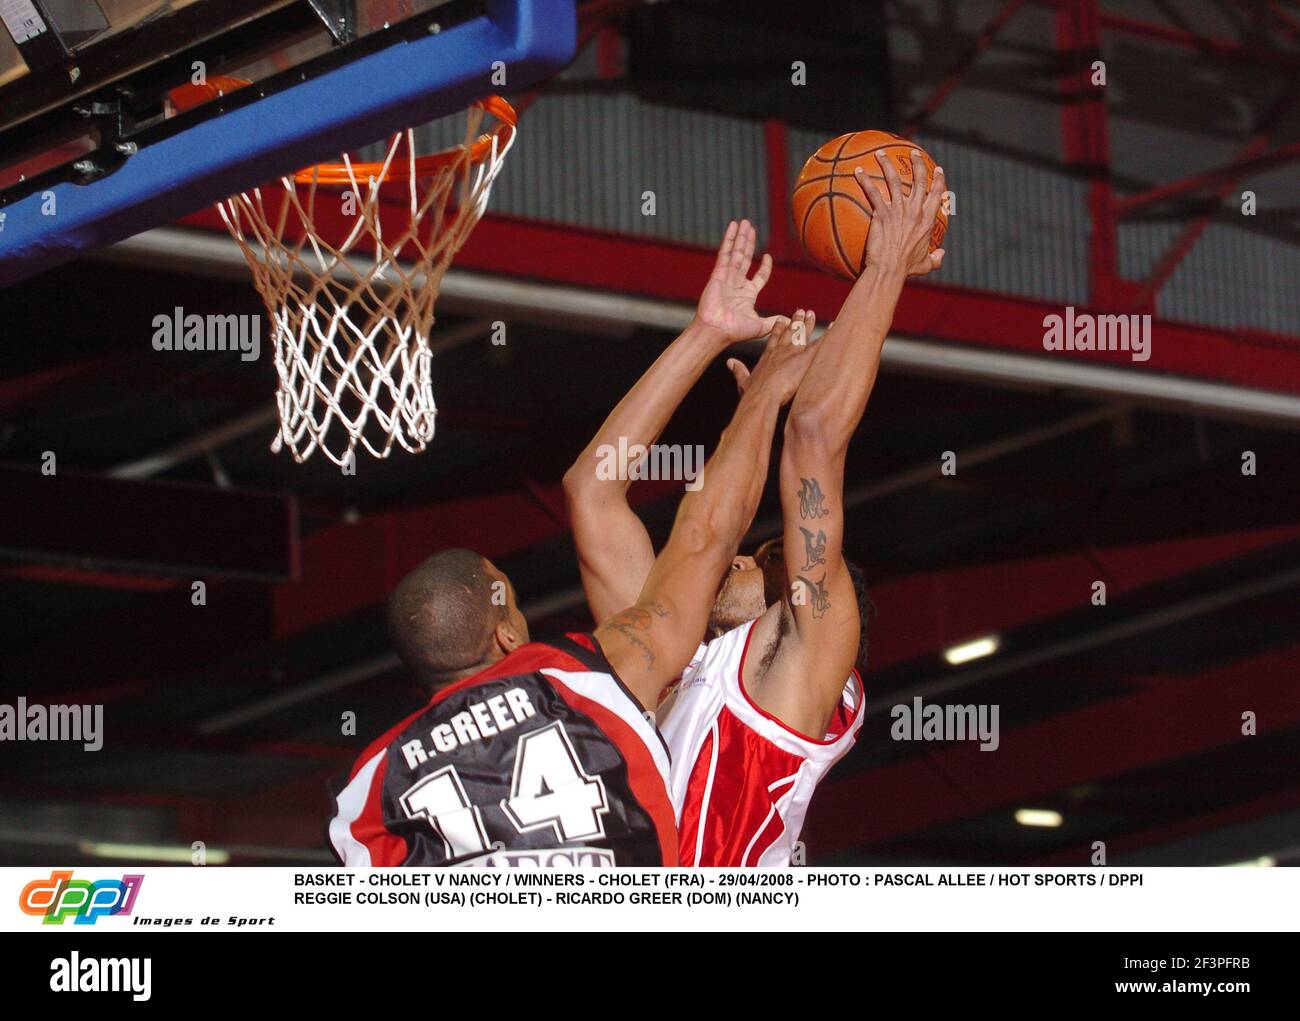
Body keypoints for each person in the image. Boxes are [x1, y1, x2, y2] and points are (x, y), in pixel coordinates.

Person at [564, 153, 946, 865]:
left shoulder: (805, 676)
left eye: (769, 558)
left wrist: (884, 264)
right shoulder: (672, 666)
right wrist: (707, 334)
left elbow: (814, 436)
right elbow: (594, 489)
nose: (743, 555)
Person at [329, 314, 818, 866]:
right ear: (508, 635)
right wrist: (757, 395)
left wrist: (712, 337)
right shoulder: (590, 677)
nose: (741, 561)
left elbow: (595, 491)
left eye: (768, 561)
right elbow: (703, 531)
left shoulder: (371, 785)